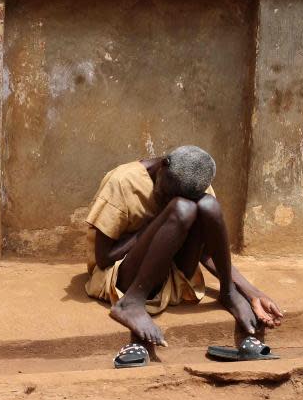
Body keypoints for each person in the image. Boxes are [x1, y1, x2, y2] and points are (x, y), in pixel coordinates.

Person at [84, 146, 284, 366]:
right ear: (163, 165)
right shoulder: (123, 181)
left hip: (171, 274)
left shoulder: (198, 181)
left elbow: (207, 252)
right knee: (182, 209)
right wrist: (159, 220)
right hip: (121, 276)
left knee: (209, 205)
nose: (167, 198)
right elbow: (104, 258)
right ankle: (131, 303)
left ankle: (228, 293)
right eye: (166, 192)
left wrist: (251, 292)